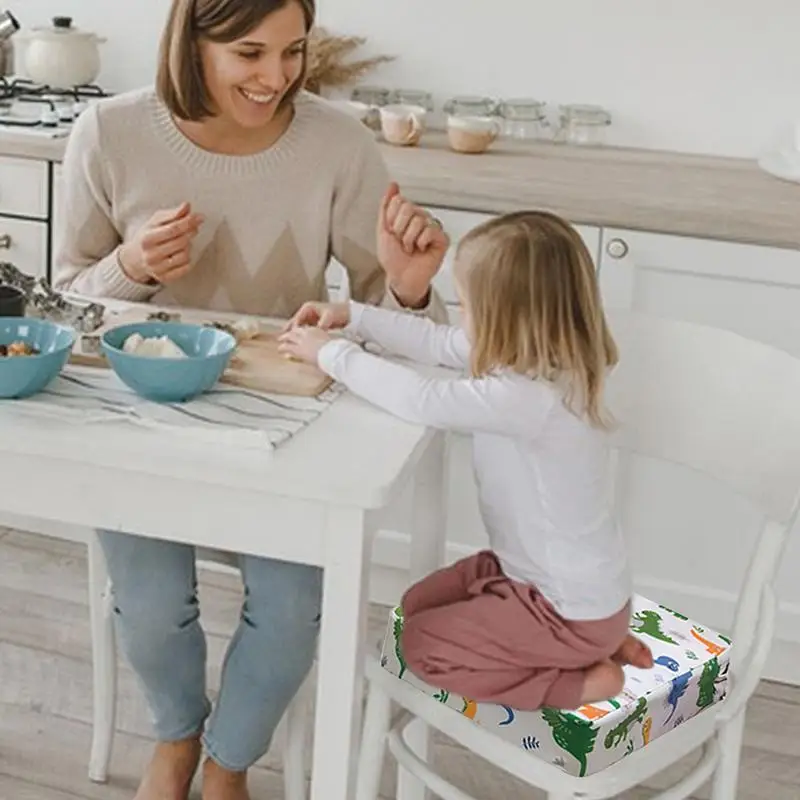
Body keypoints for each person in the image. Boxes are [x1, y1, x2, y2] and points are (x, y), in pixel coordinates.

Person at [53, 0, 449, 798]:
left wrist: (408, 293)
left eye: (293, 52)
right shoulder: (109, 132)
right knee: (153, 599)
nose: (276, 78)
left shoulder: (337, 143)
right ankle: (177, 739)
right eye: (249, 53)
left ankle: (229, 759)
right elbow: (64, 304)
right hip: (142, 413)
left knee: (296, 601)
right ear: (190, 43)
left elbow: (408, 328)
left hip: (284, 413)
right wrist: (132, 264)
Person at [279, 210, 655, 714]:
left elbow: (422, 399)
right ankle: (592, 643)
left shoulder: (530, 397)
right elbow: (437, 344)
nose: (463, 317)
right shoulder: (549, 359)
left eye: (469, 305)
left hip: (559, 609)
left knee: (422, 646)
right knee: (415, 607)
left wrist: (331, 355)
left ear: (508, 315)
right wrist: (355, 316)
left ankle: (581, 679)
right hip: (560, 589)